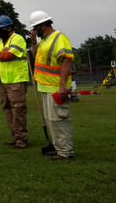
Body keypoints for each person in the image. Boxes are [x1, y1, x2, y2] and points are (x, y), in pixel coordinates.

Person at [29, 10, 74, 160]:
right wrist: (34, 42)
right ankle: (58, 147)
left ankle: (66, 152)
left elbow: (66, 61)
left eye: (36, 28)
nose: (35, 31)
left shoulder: (59, 38)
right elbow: (36, 57)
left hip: (56, 87)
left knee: (59, 120)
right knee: (51, 120)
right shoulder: (44, 41)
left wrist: (62, 86)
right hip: (45, 86)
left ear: (43, 24)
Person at [0, 15, 29, 149]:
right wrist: (0, 54)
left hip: (16, 79)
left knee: (18, 109)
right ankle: (15, 136)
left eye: (2, 28)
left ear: (9, 27)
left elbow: (8, 56)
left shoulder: (18, 39)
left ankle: (21, 138)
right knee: (7, 108)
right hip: (3, 80)